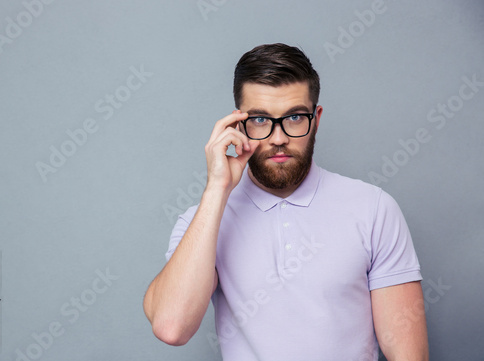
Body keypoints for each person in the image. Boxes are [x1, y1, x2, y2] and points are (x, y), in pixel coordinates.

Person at [143, 43, 429, 361]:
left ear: (316, 119)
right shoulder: (204, 221)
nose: (278, 138)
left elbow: (409, 355)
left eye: (294, 117)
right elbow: (172, 327)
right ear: (239, 125)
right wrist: (216, 190)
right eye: (261, 120)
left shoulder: (374, 209)